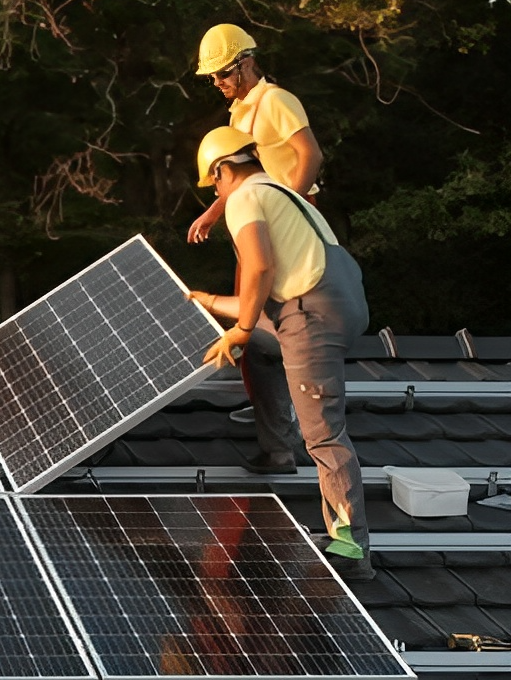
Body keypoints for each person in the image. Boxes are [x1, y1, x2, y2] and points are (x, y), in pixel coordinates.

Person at [186, 127, 374, 582]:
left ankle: (351, 548)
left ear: (223, 170)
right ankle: (276, 450)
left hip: (313, 317)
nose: (216, 191)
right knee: (262, 349)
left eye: (214, 182)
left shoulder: (244, 197)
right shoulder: (281, 193)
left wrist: (243, 327)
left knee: (324, 435)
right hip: (332, 301)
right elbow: (264, 292)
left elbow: (260, 267)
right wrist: (208, 300)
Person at [187, 24, 324, 245]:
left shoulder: (275, 99)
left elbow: (311, 154)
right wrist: (213, 213)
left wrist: (290, 207)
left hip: (295, 209)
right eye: (212, 76)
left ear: (247, 63)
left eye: (224, 73)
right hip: (264, 213)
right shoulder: (238, 115)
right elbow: (240, 178)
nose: (217, 82)